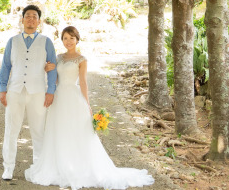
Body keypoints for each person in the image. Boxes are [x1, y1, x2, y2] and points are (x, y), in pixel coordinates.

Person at [25, 25, 154, 190]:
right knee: (59, 130)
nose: (68, 41)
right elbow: (54, 78)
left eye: (72, 38)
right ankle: (59, 165)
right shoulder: (58, 57)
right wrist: (47, 70)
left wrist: (87, 104)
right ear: (62, 40)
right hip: (59, 97)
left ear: (77, 39)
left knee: (78, 131)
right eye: (65, 38)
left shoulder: (82, 59)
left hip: (73, 96)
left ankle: (79, 167)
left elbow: (84, 82)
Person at [0, 4, 57, 181]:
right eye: (28, 16)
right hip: (15, 91)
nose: (31, 19)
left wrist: (51, 91)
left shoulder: (46, 42)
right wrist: (2, 89)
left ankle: (38, 167)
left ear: (39, 22)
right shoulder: (12, 41)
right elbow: (5, 67)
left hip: (38, 92)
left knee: (38, 131)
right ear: (22, 19)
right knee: (11, 131)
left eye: (34, 17)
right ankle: (8, 168)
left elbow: (52, 67)